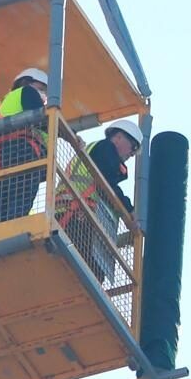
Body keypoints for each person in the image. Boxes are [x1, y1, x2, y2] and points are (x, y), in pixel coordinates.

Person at [63, 119, 143, 284]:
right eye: (133, 147)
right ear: (119, 137)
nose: (132, 153)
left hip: (79, 215)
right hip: (78, 215)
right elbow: (106, 183)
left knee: (91, 274)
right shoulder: (105, 149)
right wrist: (129, 209)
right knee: (86, 273)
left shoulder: (100, 153)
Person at [0, 67, 49, 224]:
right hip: (20, 151)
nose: (44, 95)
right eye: (41, 89)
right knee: (21, 198)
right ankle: (12, 231)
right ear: (27, 82)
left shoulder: (6, 102)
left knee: (1, 205)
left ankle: (0, 234)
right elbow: (42, 118)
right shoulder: (27, 91)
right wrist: (71, 134)